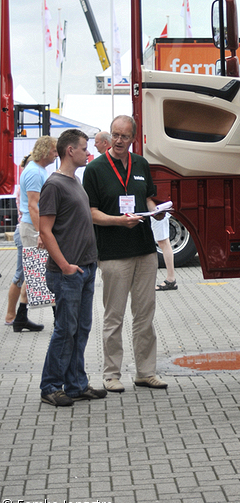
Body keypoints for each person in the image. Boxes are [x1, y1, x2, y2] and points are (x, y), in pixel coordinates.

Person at [82, 115, 168, 392]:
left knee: (145, 314)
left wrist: (155, 211)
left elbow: (147, 197)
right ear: (110, 136)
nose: (119, 141)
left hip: (144, 250)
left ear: (133, 138)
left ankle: (145, 372)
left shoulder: (141, 164)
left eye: (125, 137)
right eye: (115, 135)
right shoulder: (94, 169)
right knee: (114, 316)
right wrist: (118, 220)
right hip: (113, 252)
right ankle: (111, 374)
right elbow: (91, 213)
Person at [39, 129, 106, 407]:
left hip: (85, 269)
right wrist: (65, 266)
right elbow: (45, 230)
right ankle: (51, 386)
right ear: (70, 151)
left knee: (81, 329)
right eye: (84, 148)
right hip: (68, 273)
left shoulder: (74, 180)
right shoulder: (54, 185)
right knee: (65, 330)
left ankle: (76, 384)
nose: (88, 153)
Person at [14, 136, 58, 332]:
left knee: (35, 272)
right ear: (45, 151)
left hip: (34, 226)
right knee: (43, 271)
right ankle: (59, 319)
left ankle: (21, 317)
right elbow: (33, 205)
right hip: (33, 227)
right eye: (54, 151)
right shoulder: (34, 172)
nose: (56, 155)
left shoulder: (36, 170)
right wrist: (42, 232)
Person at [4, 156, 30, 325]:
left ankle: (16, 314)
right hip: (25, 230)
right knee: (20, 275)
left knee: (23, 275)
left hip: (23, 230)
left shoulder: (23, 184)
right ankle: (11, 315)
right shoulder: (27, 184)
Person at [152, 213, 178, 291]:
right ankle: (171, 279)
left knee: (163, 242)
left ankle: (171, 279)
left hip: (158, 210)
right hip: (154, 210)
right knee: (163, 242)